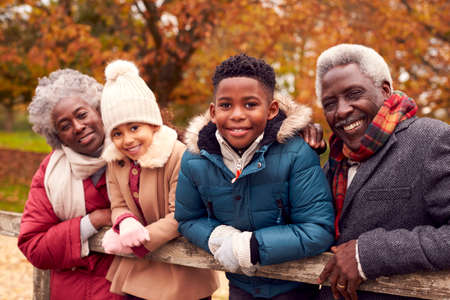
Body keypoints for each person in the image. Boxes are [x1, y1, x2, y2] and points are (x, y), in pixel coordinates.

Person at [175, 54, 335, 300]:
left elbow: (318, 229)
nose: (237, 115)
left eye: (250, 104)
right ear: (213, 111)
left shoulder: (297, 153)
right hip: (240, 287)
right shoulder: (195, 159)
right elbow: (187, 218)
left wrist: (252, 246)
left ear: (271, 110)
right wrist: (218, 237)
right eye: (226, 105)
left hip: (295, 288)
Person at [315, 44, 450, 300]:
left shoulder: (432, 140)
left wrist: (367, 254)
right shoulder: (333, 163)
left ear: (384, 90)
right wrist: (294, 153)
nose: (342, 110)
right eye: (330, 103)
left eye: (354, 93)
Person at [99, 60, 219, 300]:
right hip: (138, 272)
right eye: (117, 133)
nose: (127, 140)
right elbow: (118, 203)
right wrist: (124, 223)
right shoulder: (116, 161)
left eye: (134, 127)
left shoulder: (178, 155)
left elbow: (181, 214)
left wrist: (140, 240)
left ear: (153, 125)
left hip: (181, 269)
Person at [17, 69, 124, 300]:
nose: (77, 127)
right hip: (72, 292)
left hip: (131, 290)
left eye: (82, 115)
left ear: (98, 110)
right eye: (64, 126)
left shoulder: (136, 151)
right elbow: (33, 245)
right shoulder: (51, 172)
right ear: (57, 137)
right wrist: (94, 221)